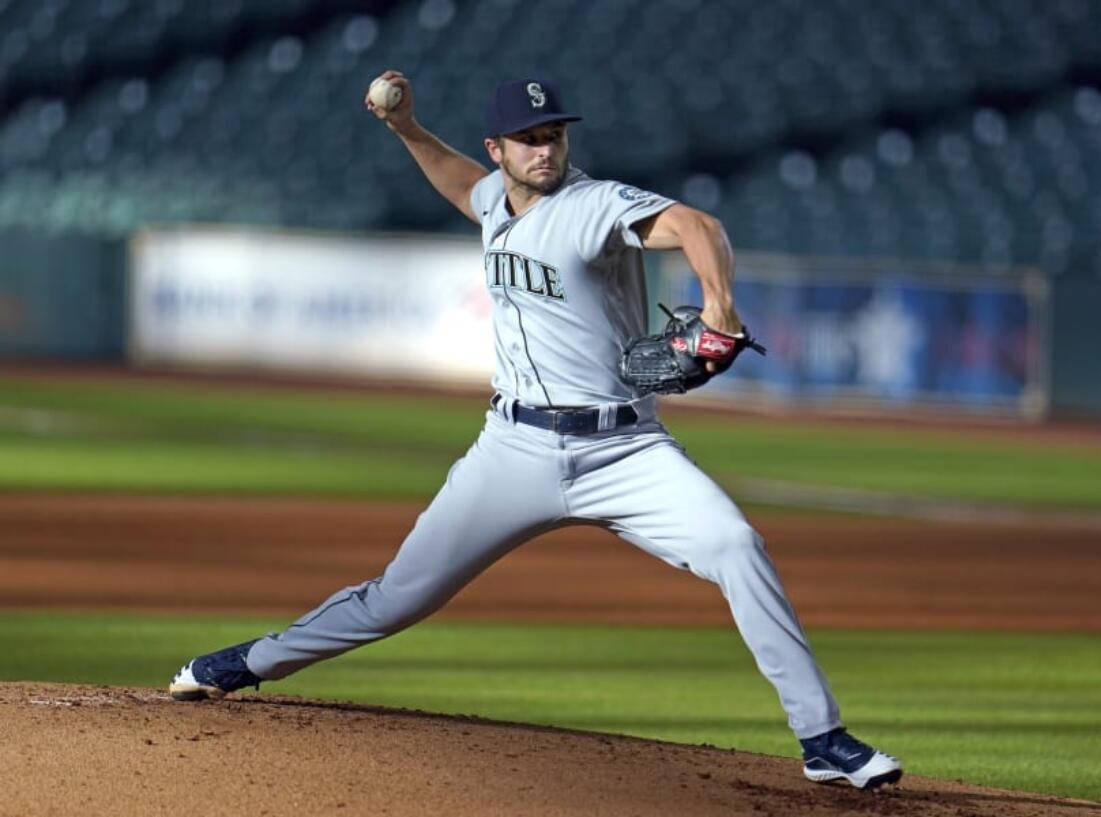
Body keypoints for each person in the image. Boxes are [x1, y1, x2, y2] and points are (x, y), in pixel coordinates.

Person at [168, 73, 902, 790]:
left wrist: (719, 307)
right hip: (513, 449)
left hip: (625, 450)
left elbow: (696, 226)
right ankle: (251, 662)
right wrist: (407, 129)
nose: (544, 150)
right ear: (499, 149)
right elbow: (461, 185)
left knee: (737, 546)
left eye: (552, 135)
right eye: (527, 140)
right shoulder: (493, 197)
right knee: (397, 597)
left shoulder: (593, 204)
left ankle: (821, 738)